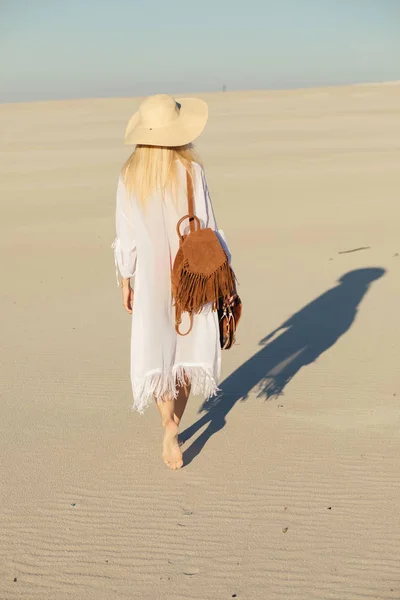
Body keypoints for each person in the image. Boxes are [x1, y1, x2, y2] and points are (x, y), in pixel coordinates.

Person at [112, 94, 233, 470]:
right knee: (184, 352)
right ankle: (174, 423)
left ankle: (166, 422)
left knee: (158, 351)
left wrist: (126, 279)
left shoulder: (130, 175)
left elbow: (127, 236)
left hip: (150, 277)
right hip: (192, 276)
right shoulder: (191, 171)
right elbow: (209, 227)